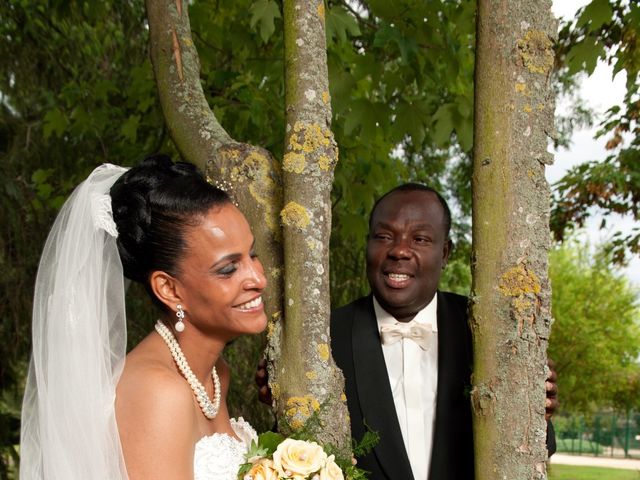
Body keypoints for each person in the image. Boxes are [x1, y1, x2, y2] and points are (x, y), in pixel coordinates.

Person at [257, 183, 558, 480]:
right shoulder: (323, 338)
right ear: (368, 245)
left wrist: (534, 412)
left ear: (445, 252)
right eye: (384, 236)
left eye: (420, 239)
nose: (399, 250)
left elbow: (530, 451)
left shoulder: (485, 333)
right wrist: (283, 398)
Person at [20, 155, 267, 479]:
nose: (257, 279)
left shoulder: (216, 375)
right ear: (169, 289)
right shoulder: (159, 393)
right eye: (228, 269)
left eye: (252, 255)